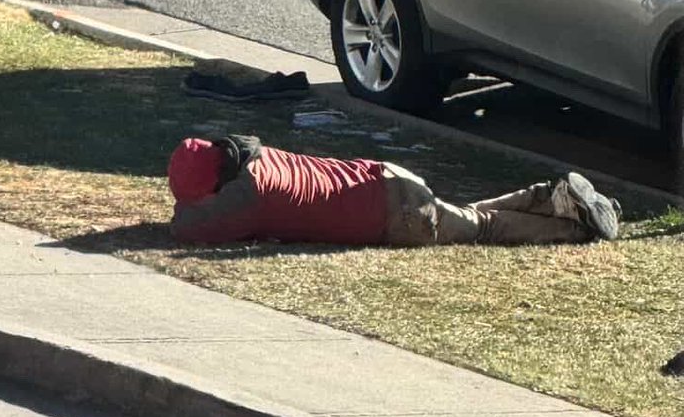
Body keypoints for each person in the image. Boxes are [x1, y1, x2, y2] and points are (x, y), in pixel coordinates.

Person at [168, 135, 621, 247]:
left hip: (394, 217)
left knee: (481, 227)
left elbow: (188, 229)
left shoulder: (247, 197)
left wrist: (189, 204)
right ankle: (552, 194)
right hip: (387, 177)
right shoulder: (259, 156)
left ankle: (573, 229)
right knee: (462, 214)